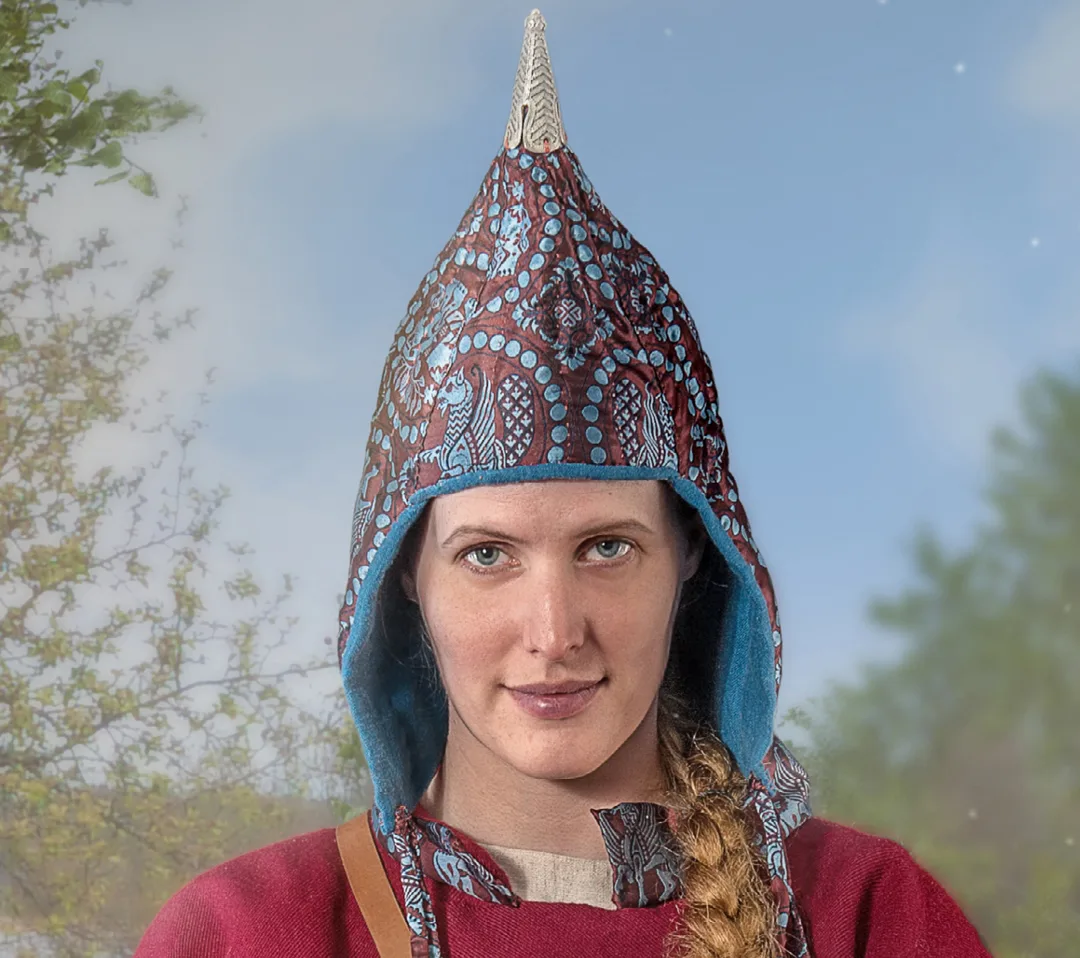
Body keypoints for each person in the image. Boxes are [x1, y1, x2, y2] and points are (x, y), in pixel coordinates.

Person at [134, 10, 994, 958]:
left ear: (693, 559)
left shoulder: (868, 918)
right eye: (488, 554)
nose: (554, 633)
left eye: (608, 547)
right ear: (408, 576)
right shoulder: (248, 933)